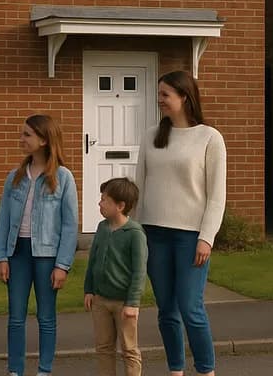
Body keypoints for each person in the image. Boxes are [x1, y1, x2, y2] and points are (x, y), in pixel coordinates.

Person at [134, 71, 227, 376]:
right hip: (154, 234)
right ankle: (176, 370)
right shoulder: (150, 136)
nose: (159, 100)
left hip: (190, 237)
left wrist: (206, 237)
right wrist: (134, 232)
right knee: (167, 311)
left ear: (184, 97)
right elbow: (139, 188)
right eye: (158, 94)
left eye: (165, 94)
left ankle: (206, 370)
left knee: (190, 308)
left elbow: (216, 196)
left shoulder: (210, 138)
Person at [0, 114, 79, 376]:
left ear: (43, 140)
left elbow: (70, 225)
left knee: (46, 317)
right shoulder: (15, 177)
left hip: (47, 256)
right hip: (17, 253)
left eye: (27, 135)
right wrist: (1, 257)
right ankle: (15, 370)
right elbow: (3, 219)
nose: (21, 139)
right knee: (16, 317)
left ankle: (44, 370)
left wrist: (62, 265)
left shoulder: (63, 177)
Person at [83, 177, 147, 376]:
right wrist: (89, 290)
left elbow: (139, 271)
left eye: (104, 200)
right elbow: (93, 261)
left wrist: (132, 303)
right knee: (103, 348)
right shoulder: (102, 228)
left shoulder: (135, 233)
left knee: (129, 350)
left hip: (123, 304)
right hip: (101, 301)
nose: (99, 203)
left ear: (120, 206)